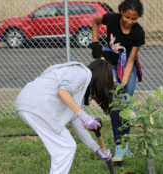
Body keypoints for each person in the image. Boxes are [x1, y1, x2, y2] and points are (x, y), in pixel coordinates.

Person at [15, 59, 113, 174]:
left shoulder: (77, 94)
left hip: (31, 104)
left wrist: (96, 148)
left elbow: (78, 126)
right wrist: (83, 115)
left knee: (65, 147)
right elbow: (62, 92)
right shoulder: (82, 72)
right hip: (37, 105)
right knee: (65, 148)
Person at [91, 0, 145, 163]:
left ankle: (124, 145)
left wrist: (123, 84)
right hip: (109, 63)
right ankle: (120, 146)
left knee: (125, 101)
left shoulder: (138, 33)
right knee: (116, 104)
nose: (129, 22)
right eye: (127, 17)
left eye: (133, 19)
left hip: (127, 65)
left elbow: (130, 61)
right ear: (121, 11)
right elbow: (95, 22)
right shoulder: (111, 19)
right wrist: (94, 43)